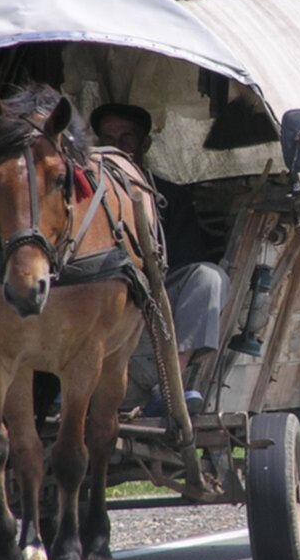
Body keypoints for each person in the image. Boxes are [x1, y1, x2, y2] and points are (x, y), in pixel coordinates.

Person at [90, 102, 230, 415]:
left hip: (155, 291)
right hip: (95, 295)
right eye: (108, 139)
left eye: (127, 138)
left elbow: (186, 259)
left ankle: (170, 385)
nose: (117, 147)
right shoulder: (82, 194)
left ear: (144, 144)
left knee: (209, 278)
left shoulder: (168, 195)